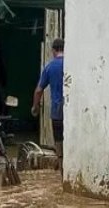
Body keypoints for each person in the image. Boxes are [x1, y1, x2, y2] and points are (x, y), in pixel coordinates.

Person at [32, 38, 64, 175]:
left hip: (57, 110)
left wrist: (35, 106)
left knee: (58, 139)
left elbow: (39, 90)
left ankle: (61, 164)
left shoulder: (50, 67)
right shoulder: (71, 65)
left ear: (53, 50)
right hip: (71, 111)